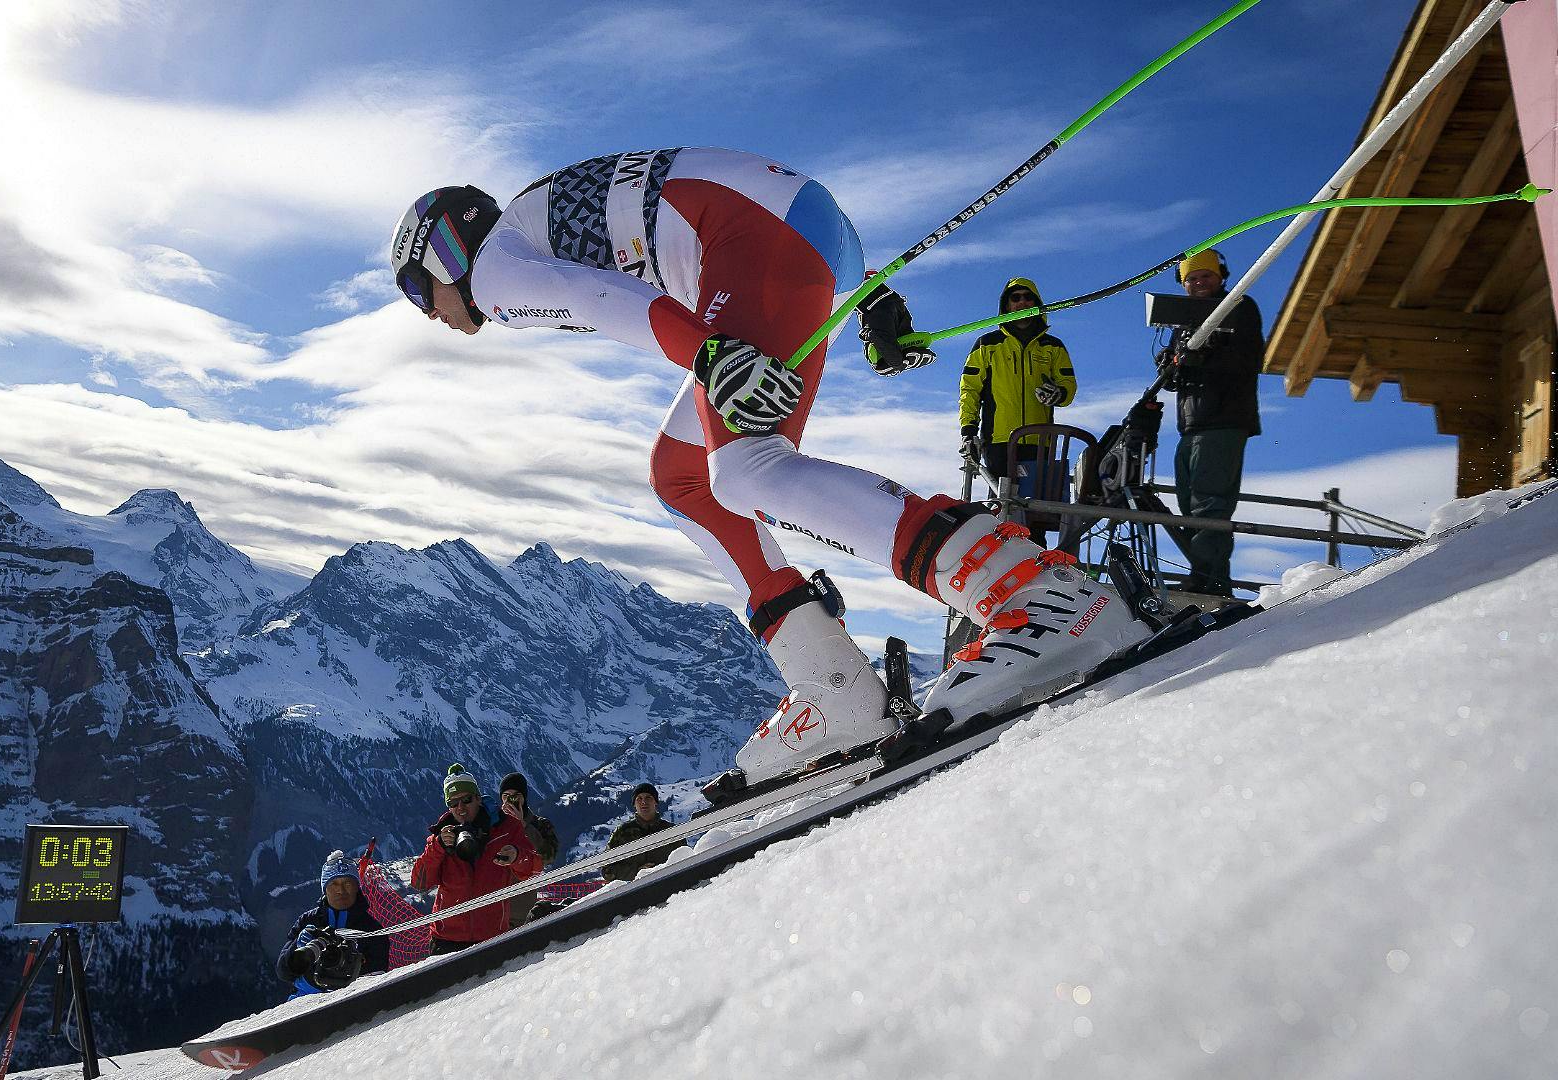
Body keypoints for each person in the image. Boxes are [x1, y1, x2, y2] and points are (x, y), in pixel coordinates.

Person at [389, 149, 1152, 786]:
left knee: (745, 469)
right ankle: (834, 686)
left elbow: (595, 295)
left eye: (420, 286)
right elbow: (760, 205)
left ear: (450, 248)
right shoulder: (531, 219)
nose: (428, 310)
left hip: (749, 240)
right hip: (787, 230)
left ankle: (1032, 591)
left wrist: (710, 353)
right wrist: (871, 300)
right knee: (683, 475)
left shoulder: (495, 269)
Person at [1156, 249, 1263, 597]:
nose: (1199, 283)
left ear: (1221, 277)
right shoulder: (1184, 319)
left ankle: (1209, 584)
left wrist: (1201, 358)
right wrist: (1171, 365)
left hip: (1223, 419)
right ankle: (1207, 577)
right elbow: (1179, 370)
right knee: (1190, 504)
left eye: (1206, 276)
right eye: (1192, 278)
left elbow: (1247, 359)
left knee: (1209, 505)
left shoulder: (1239, 307)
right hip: (1192, 423)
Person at [958, 276, 1078, 519]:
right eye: (1016, 298)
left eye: (1028, 297)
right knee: (1004, 510)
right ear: (1006, 304)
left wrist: (1058, 392)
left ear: (1037, 302)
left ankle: (1037, 556)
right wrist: (968, 432)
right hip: (999, 441)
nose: (1022, 302)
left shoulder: (1052, 347)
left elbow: (1068, 386)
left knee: (1038, 514)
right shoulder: (987, 344)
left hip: (1040, 441)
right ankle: (1003, 554)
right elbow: (969, 390)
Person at [409, 764, 541, 954]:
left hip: (492, 937)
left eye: (466, 800)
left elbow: (535, 868)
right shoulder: (441, 837)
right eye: (453, 803)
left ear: (478, 798)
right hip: (446, 940)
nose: (460, 808)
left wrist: (517, 856)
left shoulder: (506, 828)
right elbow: (419, 882)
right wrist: (437, 847)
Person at [276, 850, 390, 1000]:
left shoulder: (372, 930)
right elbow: (283, 972)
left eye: (348, 883)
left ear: (357, 888)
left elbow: (376, 981)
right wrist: (296, 947)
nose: (341, 890)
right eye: (334, 883)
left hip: (351, 1001)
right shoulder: (307, 921)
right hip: (302, 1001)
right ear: (324, 889)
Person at [498, 772, 559, 928]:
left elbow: (548, 856)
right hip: (492, 910)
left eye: (516, 795)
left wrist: (522, 826)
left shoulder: (540, 825)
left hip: (521, 911)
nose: (511, 800)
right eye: (506, 796)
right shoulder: (493, 824)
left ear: (524, 797)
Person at [603, 783, 680, 883]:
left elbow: (685, 859)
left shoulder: (671, 831)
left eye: (648, 798)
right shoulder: (622, 832)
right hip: (632, 892)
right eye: (639, 798)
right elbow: (606, 870)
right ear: (634, 804)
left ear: (655, 802)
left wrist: (659, 870)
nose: (644, 802)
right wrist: (637, 872)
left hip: (670, 887)